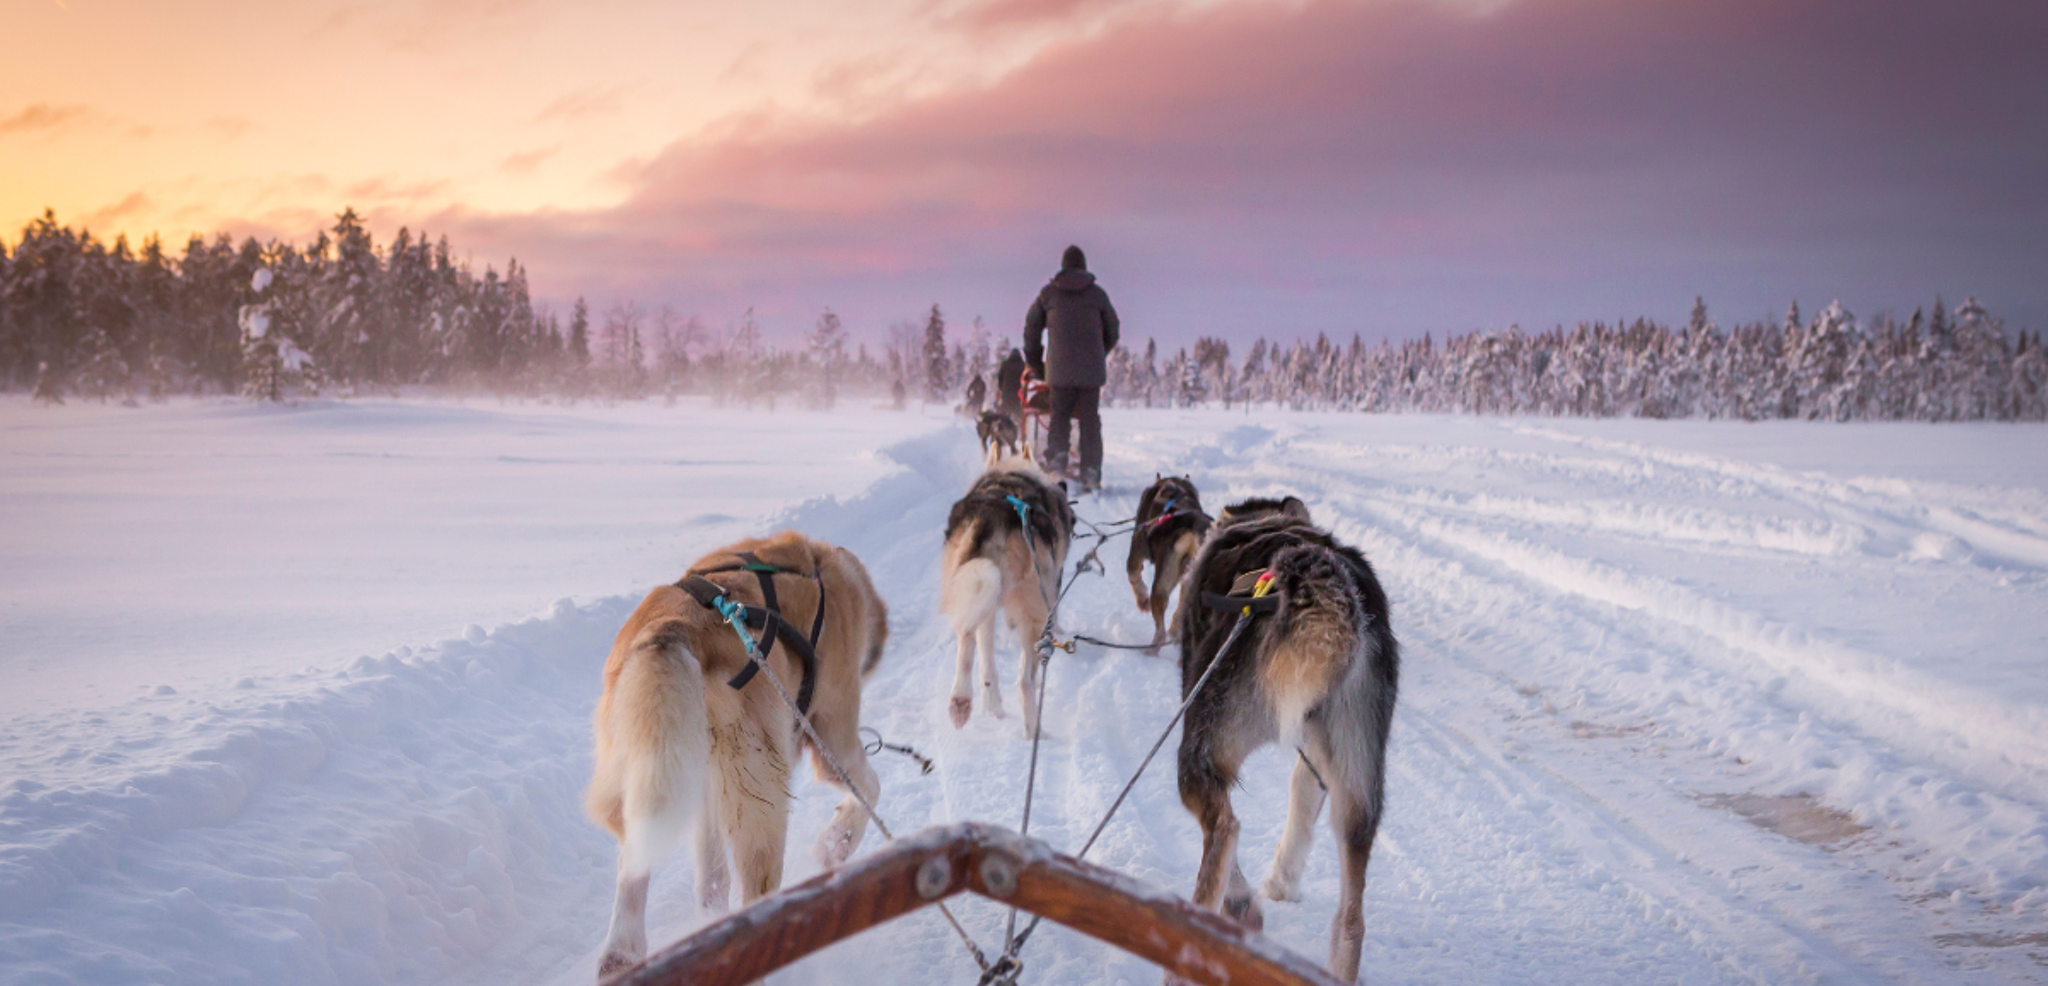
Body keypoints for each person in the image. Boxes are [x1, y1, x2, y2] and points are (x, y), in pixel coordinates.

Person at [1023, 245, 1119, 490]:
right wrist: (1099, 352)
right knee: (1089, 421)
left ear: (1063, 267)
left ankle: (1056, 467)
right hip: (1090, 374)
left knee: (1059, 418)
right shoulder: (1098, 295)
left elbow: (1031, 327)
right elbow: (1113, 329)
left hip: (1058, 372)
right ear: (1084, 267)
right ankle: (1090, 473)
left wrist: (1036, 362)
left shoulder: (1048, 295)